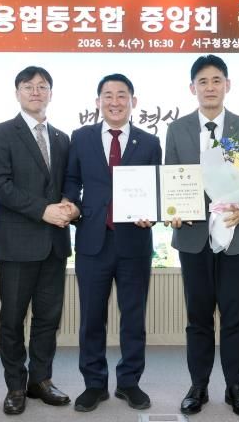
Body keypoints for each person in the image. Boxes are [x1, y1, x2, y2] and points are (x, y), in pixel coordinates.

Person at [165, 54, 239, 418]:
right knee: (197, 316)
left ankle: (235, 388)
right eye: (203, 81)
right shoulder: (178, 130)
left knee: (234, 316)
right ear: (192, 88)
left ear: (228, 85)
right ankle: (198, 386)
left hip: (234, 236)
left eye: (216, 80)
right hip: (192, 236)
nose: (209, 87)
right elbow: (171, 177)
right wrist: (172, 211)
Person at [62, 73, 162, 413]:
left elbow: (156, 187)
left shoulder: (149, 142)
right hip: (93, 240)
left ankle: (129, 382)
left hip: (134, 242)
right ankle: (94, 384)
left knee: (133, 317)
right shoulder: (82, 137)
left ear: (133, 101)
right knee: (91, 318)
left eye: (122, 95)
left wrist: (153, 214)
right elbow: (72, 179)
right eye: (108, 95)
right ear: (98, 101)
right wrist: (71, 203)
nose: (115, 102)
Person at [0, 66, 72, 415]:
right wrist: (43, 211)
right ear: (17, 92)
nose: (36, 92)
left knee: (48, 318)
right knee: (12, 318)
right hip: (17, 244)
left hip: (55, 244)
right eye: (28, 86)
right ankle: (15, 386)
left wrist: (70, 206)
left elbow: (70, 183)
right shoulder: (0, 133)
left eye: (42, 86)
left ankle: (41, 380)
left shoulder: (63, 138)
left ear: (51, 93)